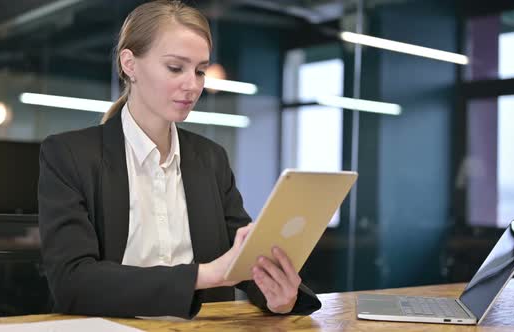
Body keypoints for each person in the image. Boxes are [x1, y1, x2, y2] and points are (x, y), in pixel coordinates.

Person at [38, 0, 321, 319]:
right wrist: (206, 274)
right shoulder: (70, 155)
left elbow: (243, 262)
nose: (193, 85)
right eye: (176, 67)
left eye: (200, 70)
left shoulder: (210, 159)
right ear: (130, 64)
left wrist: (279, 297)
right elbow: (72, 283)